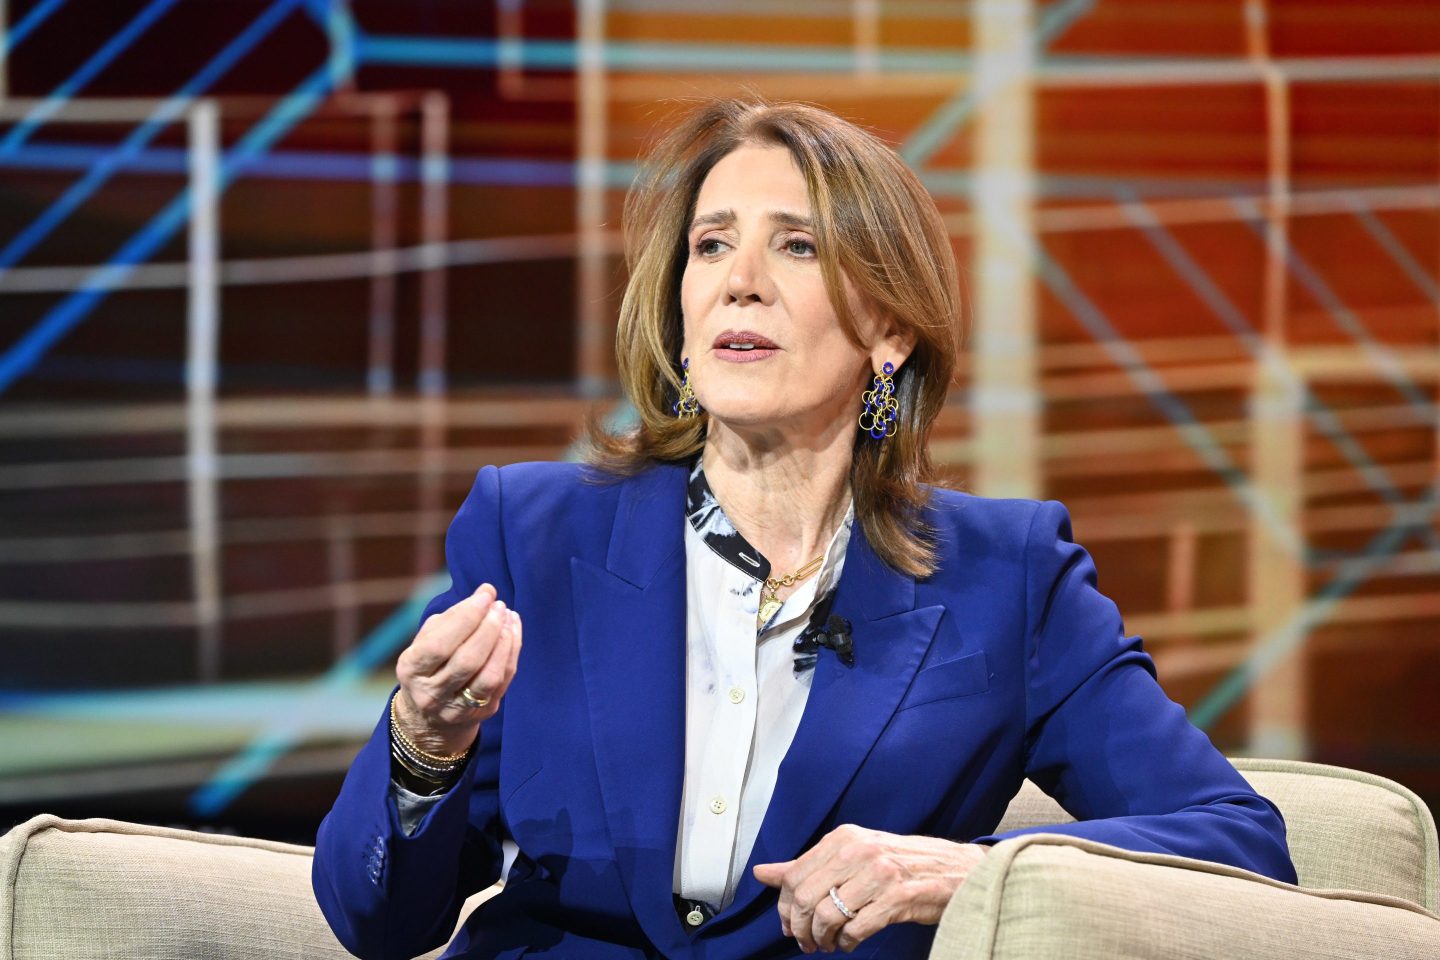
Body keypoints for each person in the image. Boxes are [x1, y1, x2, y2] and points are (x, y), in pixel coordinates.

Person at [312, 97, 1296, 960]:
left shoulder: (1010, 576)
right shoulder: (533, 529)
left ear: (890, 333)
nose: (739, 280)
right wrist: (422, 747)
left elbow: (1238, 843)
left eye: (798, 244)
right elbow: (379, 922)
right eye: (710, 245)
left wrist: (966, 875)